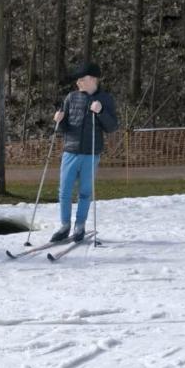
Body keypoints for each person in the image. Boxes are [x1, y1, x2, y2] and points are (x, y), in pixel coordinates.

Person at [51, 61, 118, 242]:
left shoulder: (105, 99)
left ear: (93, 79)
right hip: (70, 151)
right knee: (64, 191)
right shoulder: (71, 98)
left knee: (85, 192)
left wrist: (101, 111)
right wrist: (59, 120)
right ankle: (65, 225)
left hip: (91, 153)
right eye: (78, 79)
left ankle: (80, 225)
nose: (78, 82)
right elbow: (63, 127)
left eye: (82, 79)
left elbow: (112, 127)